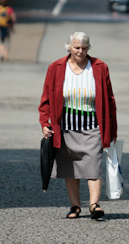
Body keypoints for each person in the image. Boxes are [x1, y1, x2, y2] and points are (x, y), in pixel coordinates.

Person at [39, 31, 117, 221]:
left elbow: (110, 100)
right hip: (65, 127)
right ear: (69, 48)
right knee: (70, 168)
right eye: (76, 48)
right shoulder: (56, 67)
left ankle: (94, 205)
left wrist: (112, 130)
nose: (80, 51)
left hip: (92, 126)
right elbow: (46, 98)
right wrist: (45, 122)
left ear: (88, 48)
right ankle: (75, 206)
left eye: (84, 48)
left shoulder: (99, 67)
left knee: (93, 166)